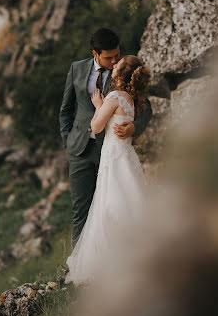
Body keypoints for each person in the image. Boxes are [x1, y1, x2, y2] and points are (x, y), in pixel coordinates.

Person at [59, 29, 152, 246]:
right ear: (95, 53)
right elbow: (66, 108)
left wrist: (133, 128)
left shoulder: (124, 71)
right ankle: (77, 264)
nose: (113, 61)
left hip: (111, 149)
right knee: (81, 209)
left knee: (111, 207)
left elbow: (146, 109)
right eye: (109, 57)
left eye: (116, 55)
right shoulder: (77, 69)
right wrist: (68, 140)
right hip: (80, 149)